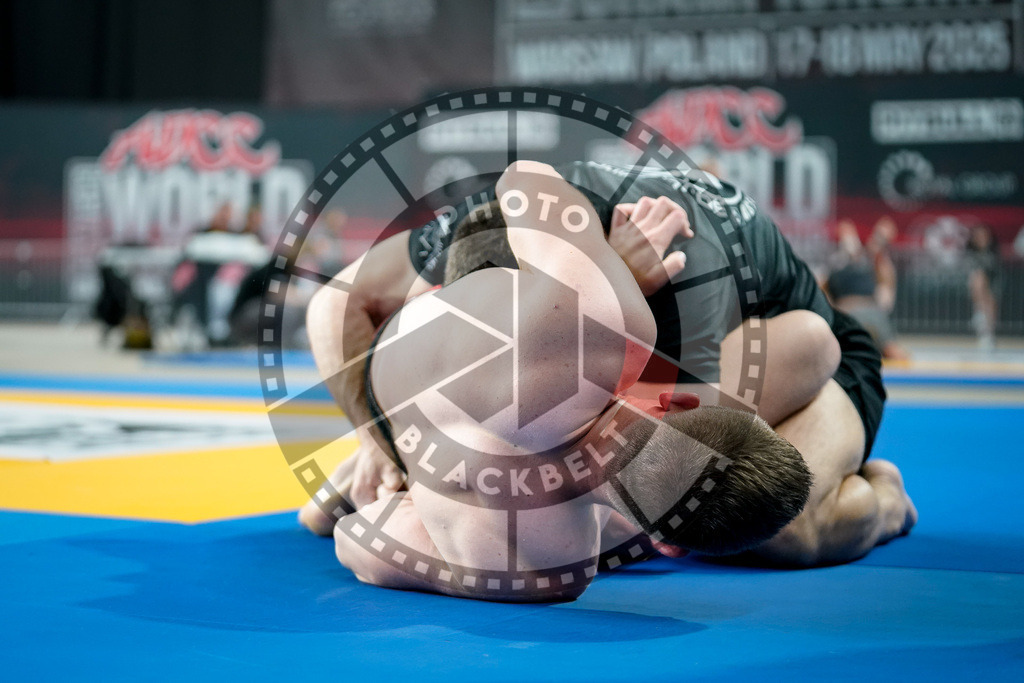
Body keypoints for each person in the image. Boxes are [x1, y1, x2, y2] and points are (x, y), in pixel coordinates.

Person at [302, 160, 916, 572]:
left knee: (785, 532)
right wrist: (378, 441)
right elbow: (335, 306)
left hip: (814, 348)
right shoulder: (490, 246)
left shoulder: (663, 304)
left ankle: (887, 500)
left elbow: (814, 344)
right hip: (605, 310)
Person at [825, 218, 909, 361]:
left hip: (864, 311)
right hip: (852, 312)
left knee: (891, 351)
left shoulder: (873, 262)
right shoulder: (837, 265)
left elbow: (886, 285)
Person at [965, 224, 1000, 352]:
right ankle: (980, 315)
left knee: (990, 301)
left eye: (983, 236)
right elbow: (970, 270)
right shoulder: (969, 251)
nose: (980, 238)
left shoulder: (994, 252)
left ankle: (987, 334)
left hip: (992, 284)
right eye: (978, 236)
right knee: (978, 278)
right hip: (973, 284)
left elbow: (995, 271)